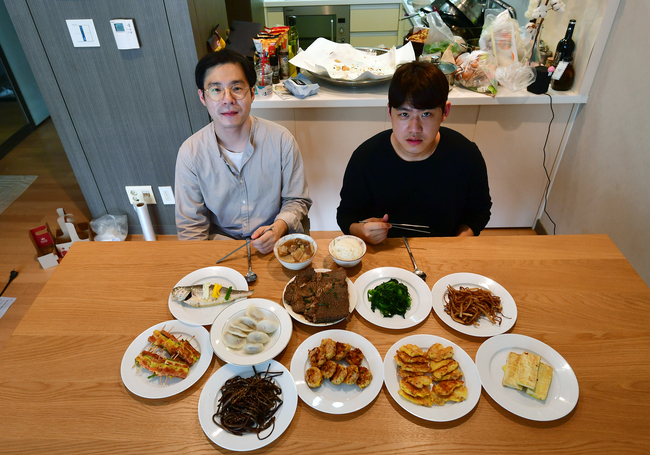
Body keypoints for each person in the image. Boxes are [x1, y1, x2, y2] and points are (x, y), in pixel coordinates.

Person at [336, 61, 491, 244]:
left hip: (444, 252)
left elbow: (478, 212)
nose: (414, 128)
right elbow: (346, 215)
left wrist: (456, 244)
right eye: (404, 114)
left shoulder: (466, 156)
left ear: (445, 111)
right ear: (389, 111)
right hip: (383, 254)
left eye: (426, 114)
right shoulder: (365, 158)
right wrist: (360, 231)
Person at [175, 49, 312, 253]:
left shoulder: (281, 140)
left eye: (237, 88)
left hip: (278, 242)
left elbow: (297, 200)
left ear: (252, 92)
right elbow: (191, 227)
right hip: (222, 248)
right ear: (202, 97)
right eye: (216, 90)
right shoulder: (190, 152)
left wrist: (278, 228)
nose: (228, 99)